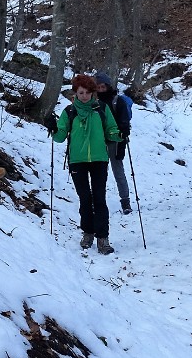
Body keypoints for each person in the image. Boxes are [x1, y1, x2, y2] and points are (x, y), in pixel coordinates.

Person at [45, 74, 123, 254]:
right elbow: (60, 137)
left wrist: (121, 133)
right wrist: (53, 127)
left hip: (99, 160)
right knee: (84, 199)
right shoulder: (69, 112)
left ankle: (103, 238)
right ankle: (88, 233)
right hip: (77, 161)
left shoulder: (102, 109)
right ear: (76, 93)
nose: (85, 96)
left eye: (88, 92)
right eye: (81, 92)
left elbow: (111, 131)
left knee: (99, 198)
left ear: (93, 93)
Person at [93, 73, 133, 215]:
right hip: (98, 142)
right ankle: (99, 201)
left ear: (108, 86)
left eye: (102, 86)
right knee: (100, 173)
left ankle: (125, 201)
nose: (100, 89)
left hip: (115, 141)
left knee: (118, 171)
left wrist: (122, 139)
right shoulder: (93, 102)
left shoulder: (117, 101)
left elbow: (124, 123)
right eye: (97, 87)